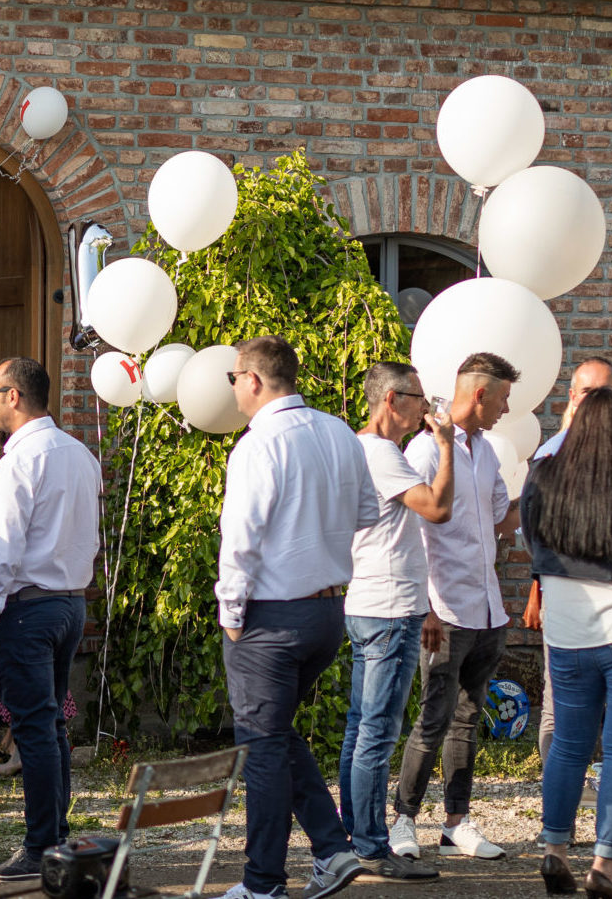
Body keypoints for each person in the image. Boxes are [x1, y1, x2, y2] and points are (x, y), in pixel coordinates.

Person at [212, 336, 375, 899]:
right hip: (328, 610)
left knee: (260, 748)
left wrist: (230, 613)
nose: (231, 388)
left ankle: (263, 884)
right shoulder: (338, 432)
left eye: (233, 378)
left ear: (254, 380)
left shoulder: (258, 446)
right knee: (275, 737)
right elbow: (370, 512)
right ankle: (331, 848)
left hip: (270, 617)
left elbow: (241, 540)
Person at [0, 357, 102, 882]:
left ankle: (42, 844)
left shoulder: (20, 459)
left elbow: (2, 546)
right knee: (49, 724)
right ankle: (57, 837)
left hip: (27, 606)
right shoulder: (79, 453)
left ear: (15, 396)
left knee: (34, 728)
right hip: (70, 600)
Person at [390, 352, 517, 862]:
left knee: (466, 721)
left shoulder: (486, 451)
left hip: (489, 610)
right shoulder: (424, 451)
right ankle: (402, 820)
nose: (507, 410)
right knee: (432, 719)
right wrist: (426, 609)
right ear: (480, 394)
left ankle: (455, 825)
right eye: (503, 399)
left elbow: (501, 516)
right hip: (444, 611)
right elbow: (410, 535)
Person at [524, 387, 612, 898]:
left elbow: (532, 543)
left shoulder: (544, 475)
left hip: (565, 629)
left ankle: (552, 851)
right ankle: (605, 864)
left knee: (568, 746)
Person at [338, 361, 453, 882]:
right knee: (377, 734)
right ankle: (369, 847)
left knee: (361, 728)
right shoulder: (381, 453)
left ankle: (351, 838)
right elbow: (436, 508)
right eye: (418, 397)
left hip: (372, 602)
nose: (426, 407)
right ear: (391, 399)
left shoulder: (361, 448)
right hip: (387, 609)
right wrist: (446, 445)